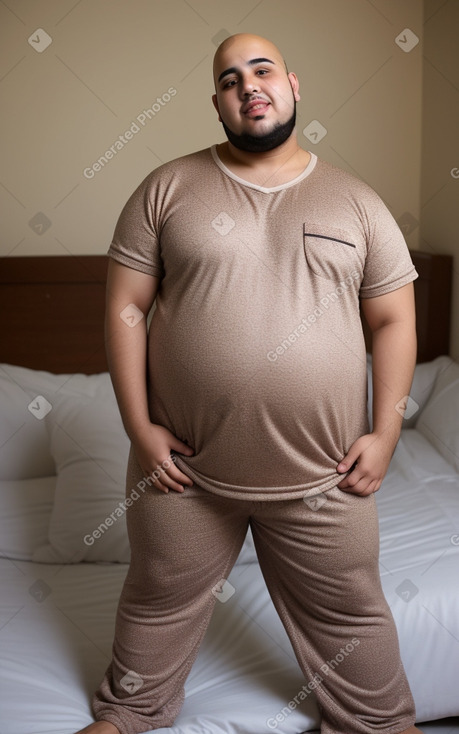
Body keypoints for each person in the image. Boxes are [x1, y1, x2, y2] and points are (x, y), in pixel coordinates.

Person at [77, 32, 422, 734]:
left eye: (261, 70)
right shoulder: (165, 188)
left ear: (293, 86)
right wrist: (138, 429)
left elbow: (391, 322)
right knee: (156, 597)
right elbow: (125, 309)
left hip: (325, 473)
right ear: (218, 104)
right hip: (185, 471)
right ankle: (126, 715)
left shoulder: (356, 202)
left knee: (353, 614)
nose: (247, 85)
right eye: (230, 79)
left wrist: (385, 432)